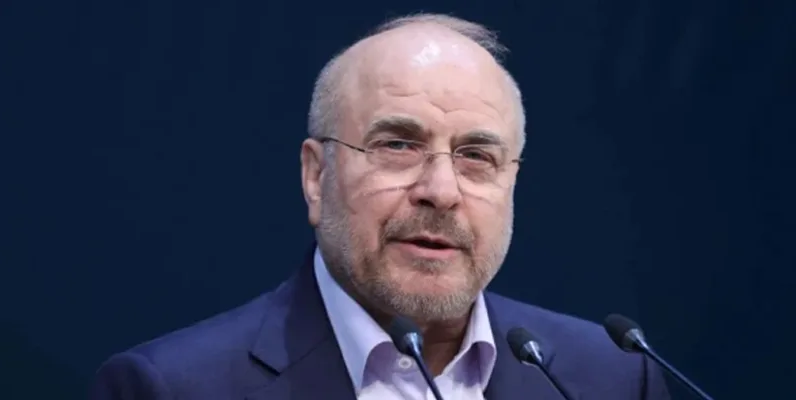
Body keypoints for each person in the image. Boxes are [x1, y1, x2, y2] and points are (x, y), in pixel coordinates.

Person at [89, 13, 670, 400]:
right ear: (316, 176)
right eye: (398, 145)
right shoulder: (171, 389)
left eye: (476, 156)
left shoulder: (614, 377)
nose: (441, 190)